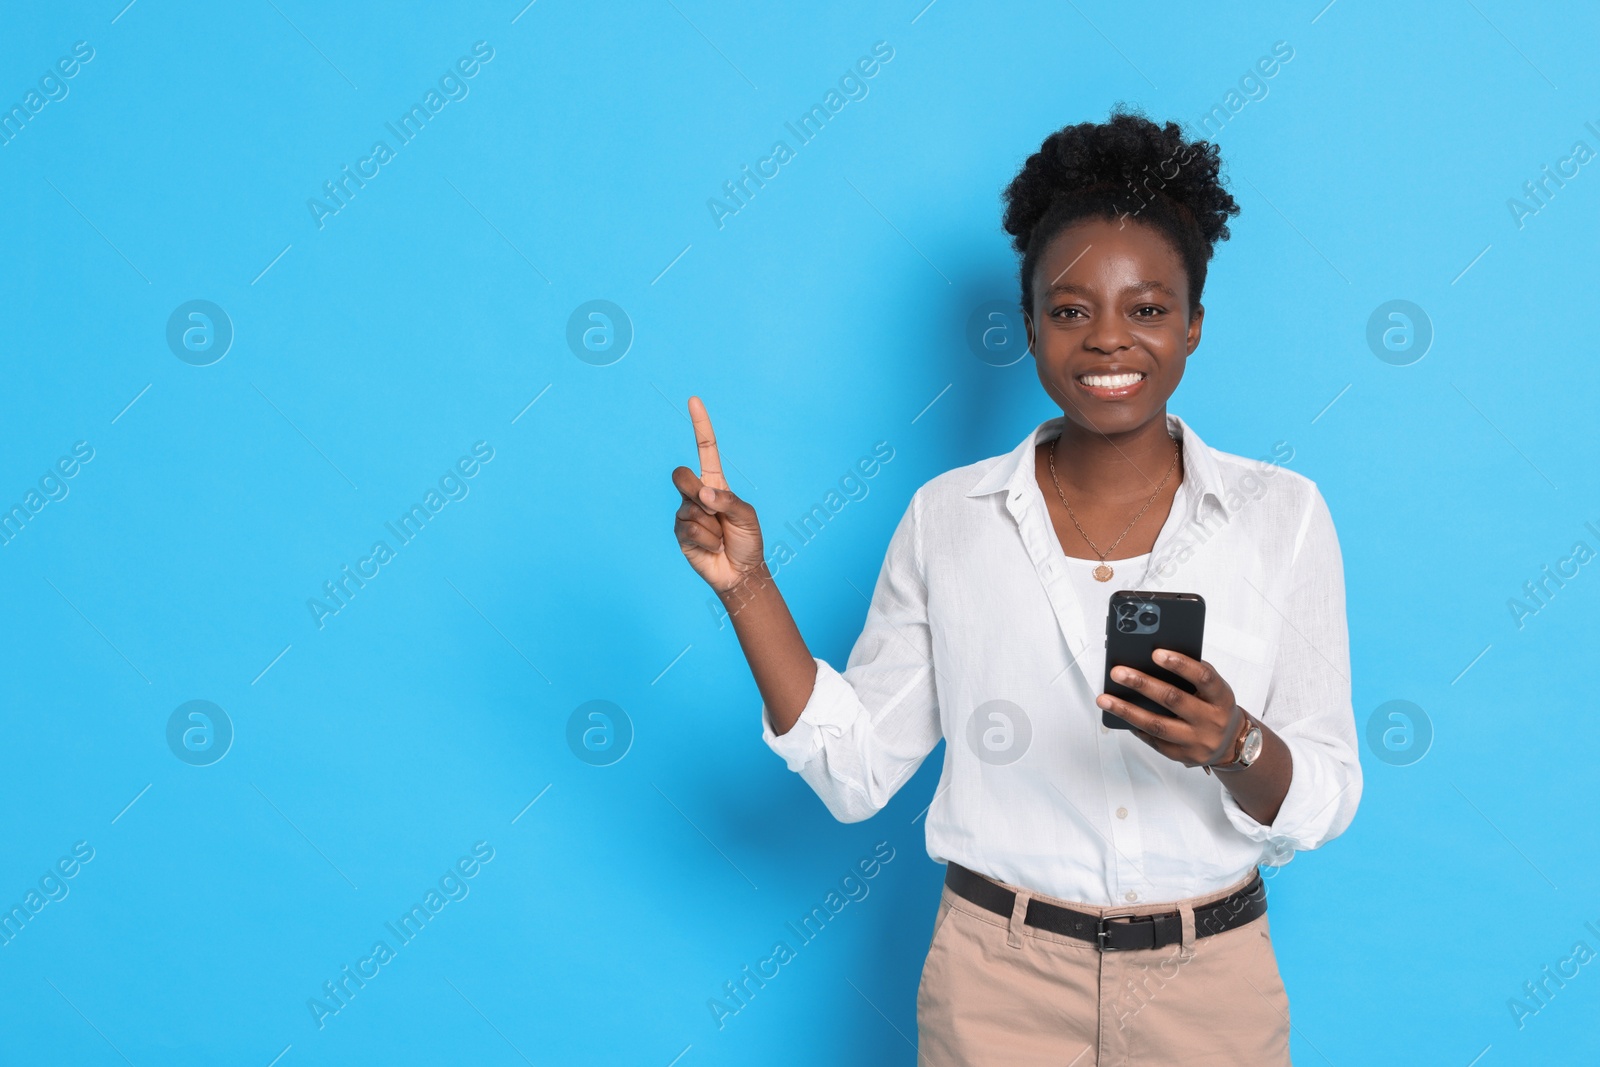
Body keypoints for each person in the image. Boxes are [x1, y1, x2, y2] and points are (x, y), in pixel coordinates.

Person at [669, 108, 1361, 1066]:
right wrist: (747, 587)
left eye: (1148, 308)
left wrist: (1235, 742)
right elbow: (856, 772)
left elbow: (1328, 792)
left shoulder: (1281, 514)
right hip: (997, 986)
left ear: (1195, 325)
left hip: (1209, 986)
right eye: (1072, 309)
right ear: (1031, 327)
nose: (1109, 341)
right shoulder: (949, 518)